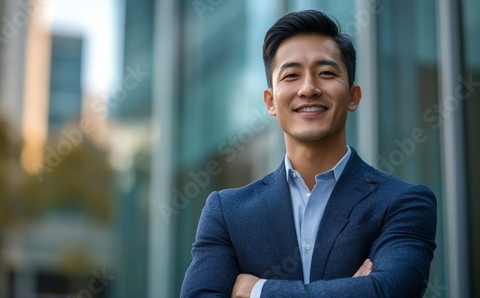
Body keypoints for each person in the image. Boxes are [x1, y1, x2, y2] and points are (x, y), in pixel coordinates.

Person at [180, 9, 437, 298]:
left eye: (326, 73)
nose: (308, 89)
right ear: (270, 101)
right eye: (291, 75)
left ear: (353, 96)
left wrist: (257, 291)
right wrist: (353, 290)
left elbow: (387, 291)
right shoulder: (226, 212)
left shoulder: (403, 203)